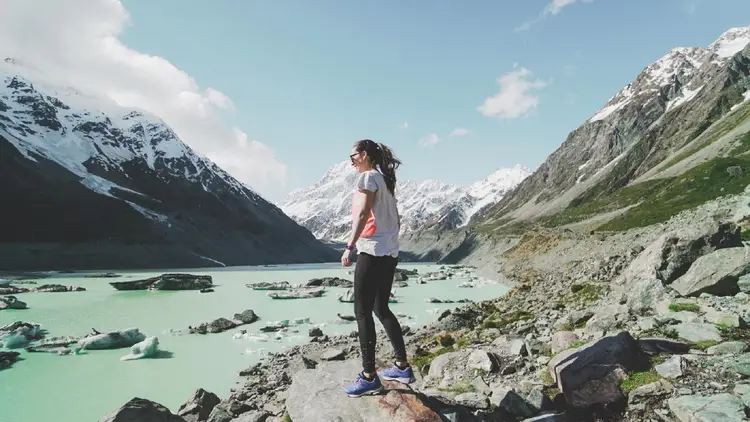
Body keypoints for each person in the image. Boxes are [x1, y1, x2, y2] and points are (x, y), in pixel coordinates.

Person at [341, 139, 415, 398]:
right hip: (389, 252)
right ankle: (402, 367)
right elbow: (395, 219)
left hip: (371, 251)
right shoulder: (385, 181)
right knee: (381, 308)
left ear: (364, 155)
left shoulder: (367, 178)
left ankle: (369, 376)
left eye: (353, 155)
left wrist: (350, 246)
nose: (351, 159)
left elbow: (362, 214)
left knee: (362, 312)